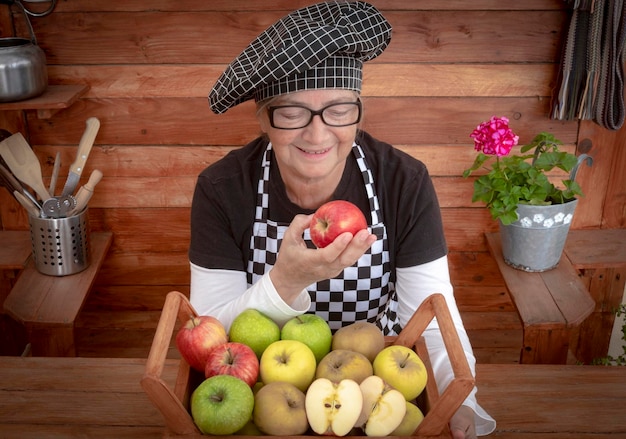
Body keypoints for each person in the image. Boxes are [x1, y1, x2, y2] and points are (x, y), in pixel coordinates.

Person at [189, 2, 496, 437]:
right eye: (292, 113)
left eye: (337, 110)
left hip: (377, 388)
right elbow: (214, 338)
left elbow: (431, 313)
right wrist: (285, 281)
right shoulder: (223, 189)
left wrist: (459, 401)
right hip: (265, 395)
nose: (317, 135)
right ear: (264, 120)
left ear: (358, 110)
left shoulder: (402, 181)